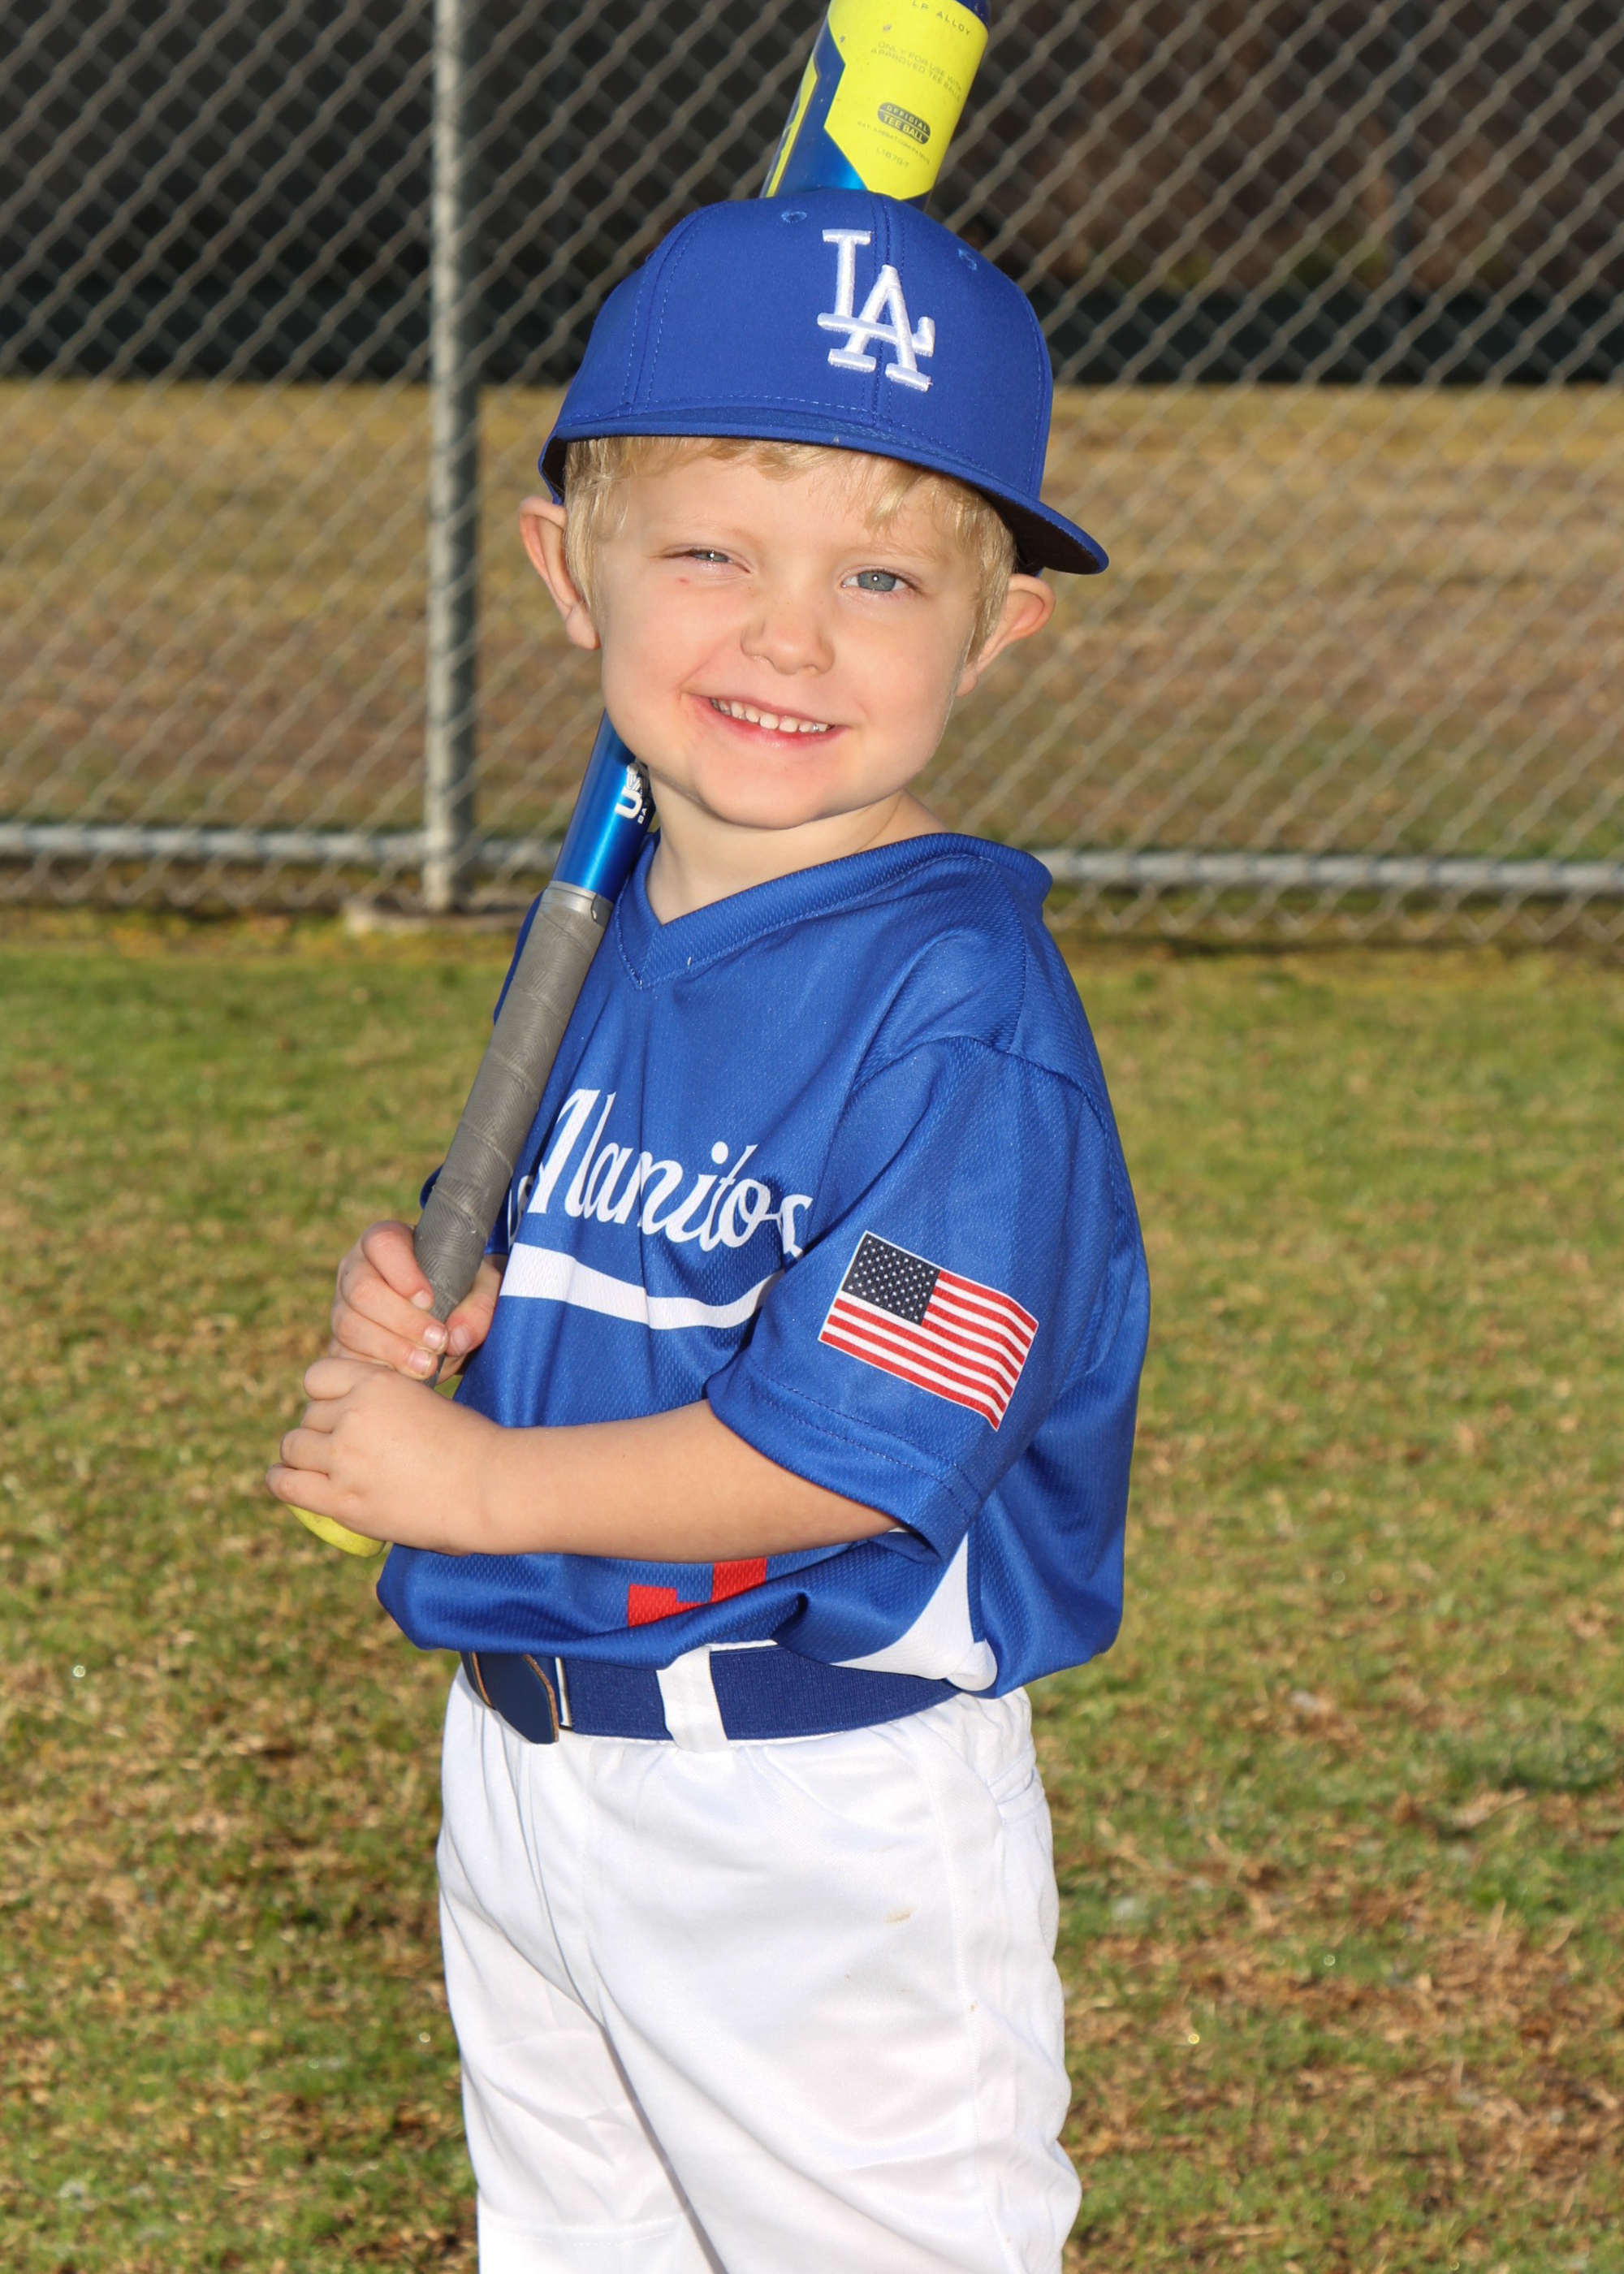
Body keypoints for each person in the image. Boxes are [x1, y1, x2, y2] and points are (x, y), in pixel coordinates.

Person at [269, 188, 1149, 2274]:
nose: (790, 635)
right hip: (530, 1768)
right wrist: (465, 1313)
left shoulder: (958, 1013)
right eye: (710, 555)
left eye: (879, 575)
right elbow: (621, 1261)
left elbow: (849, 1444)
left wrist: (476, 1482)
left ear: (997, 628)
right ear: (565, 570)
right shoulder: (606, 927)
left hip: (809, 1816)